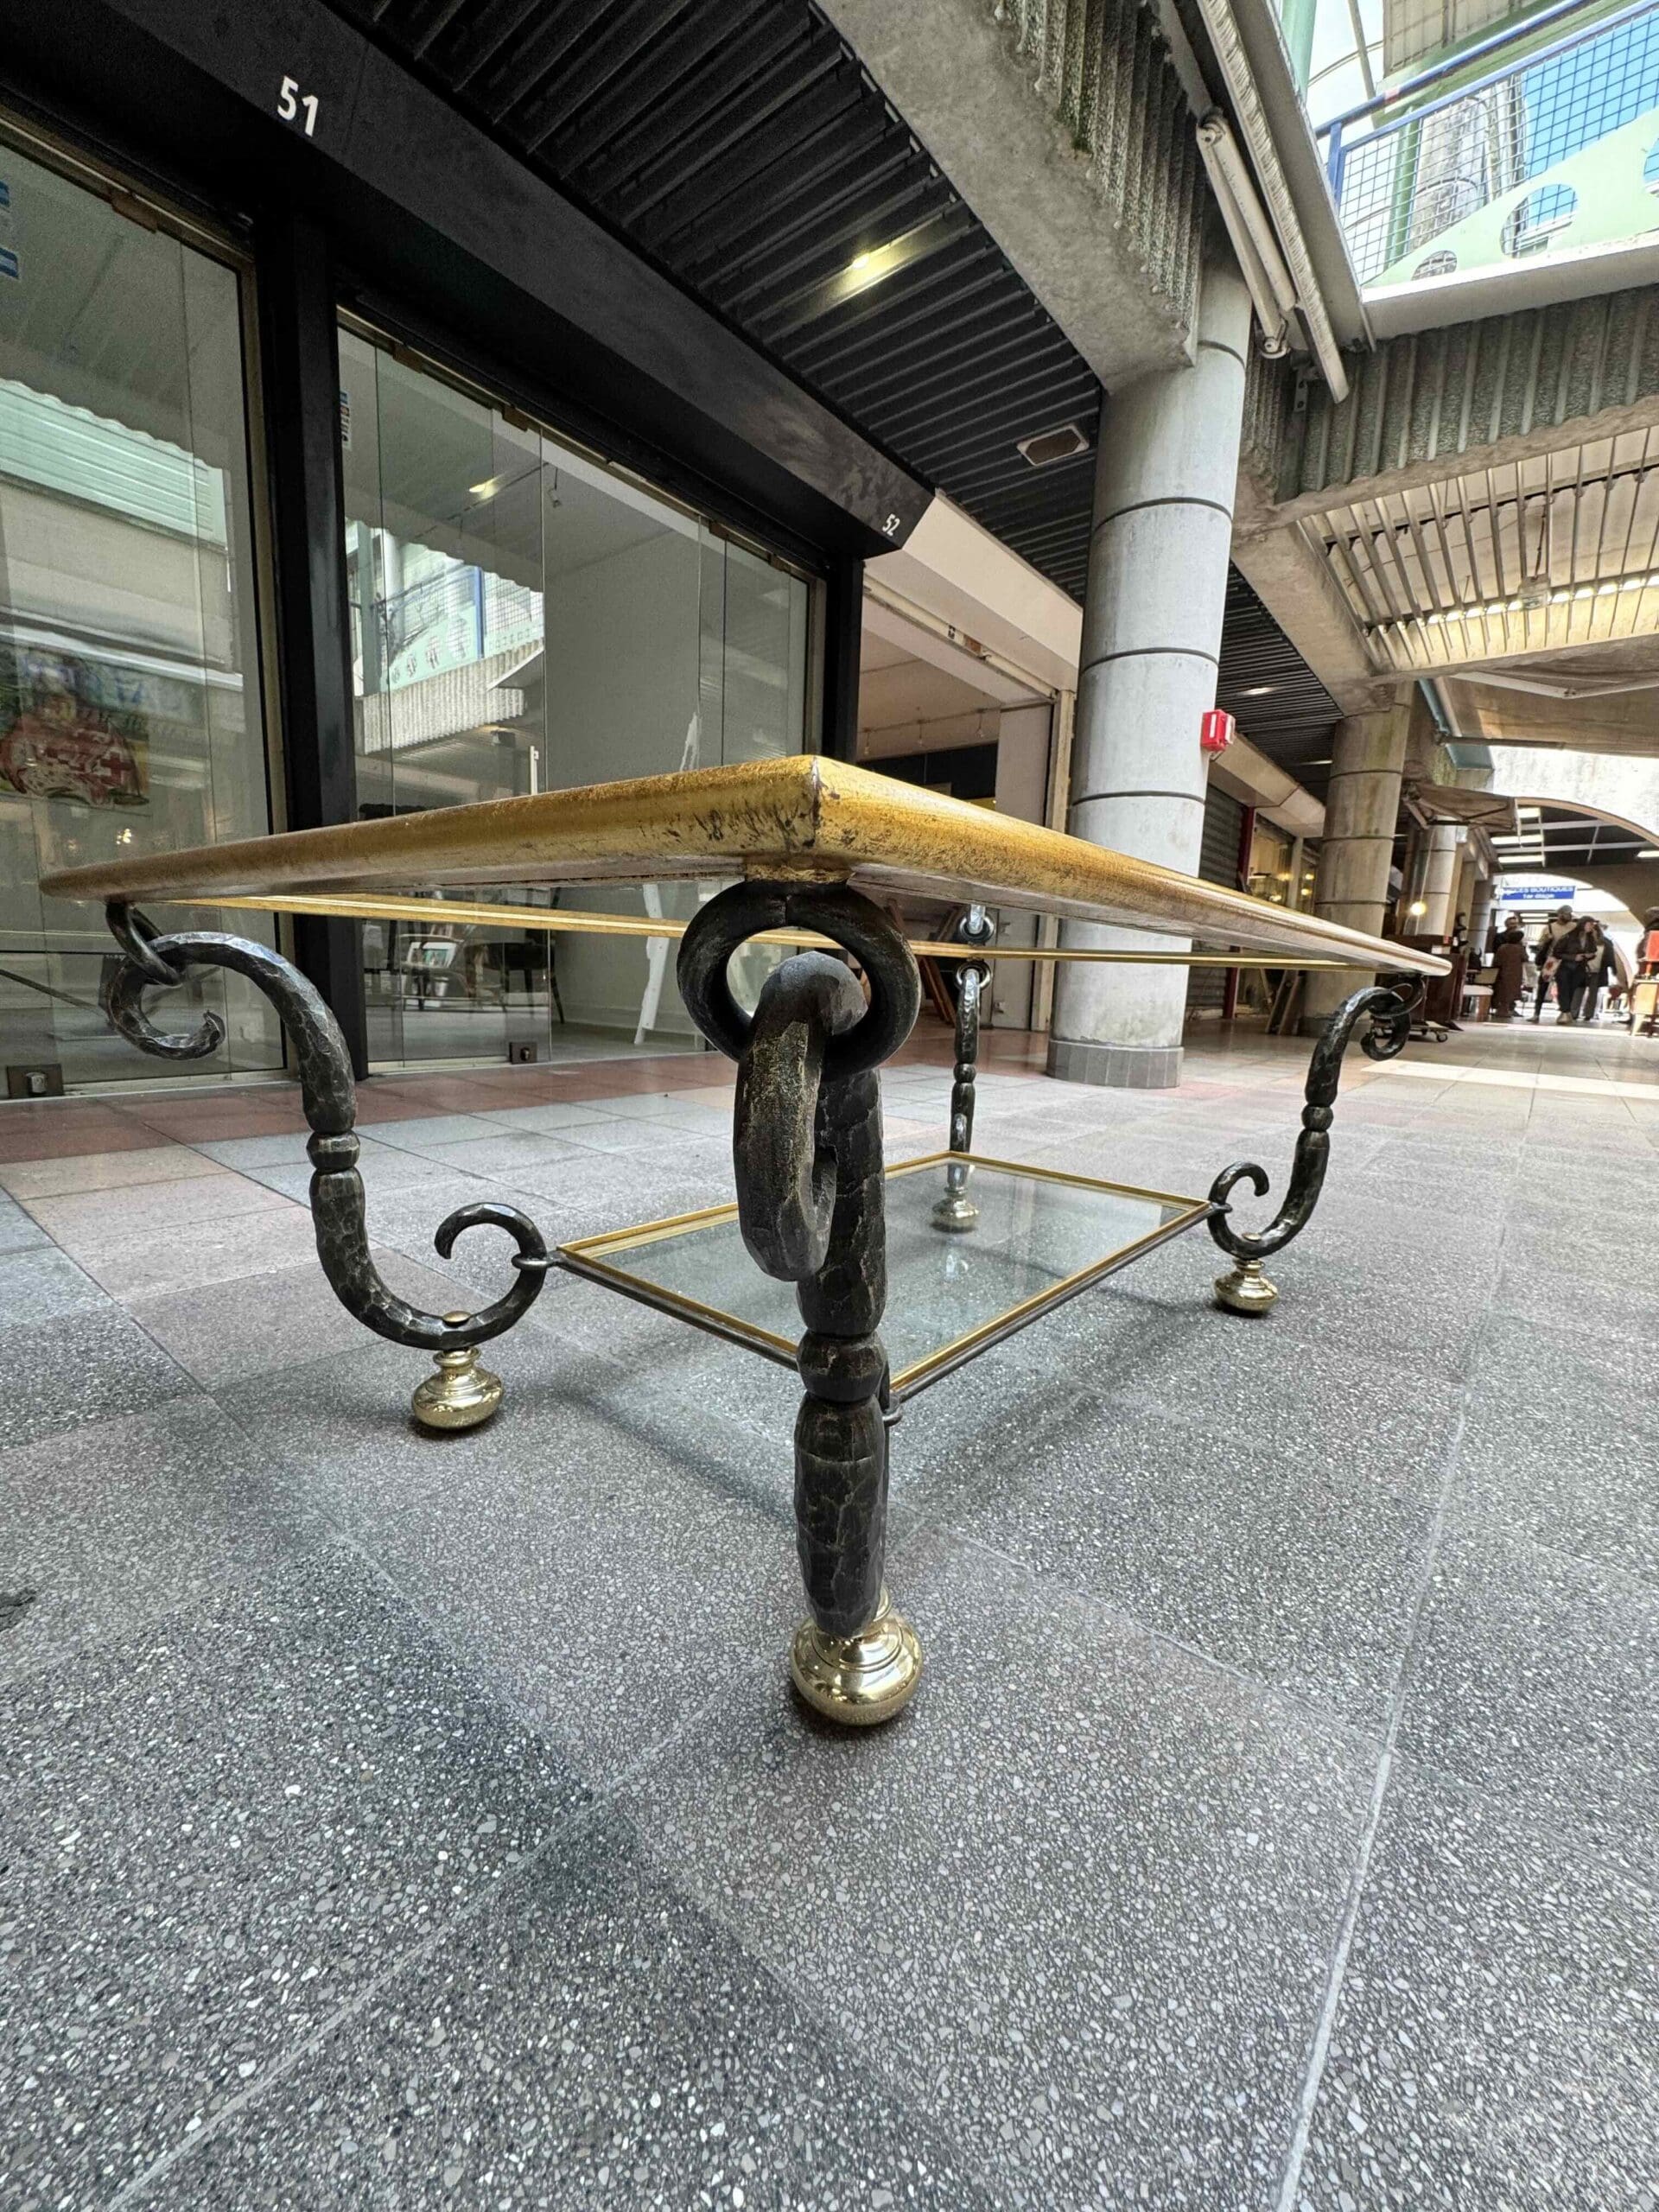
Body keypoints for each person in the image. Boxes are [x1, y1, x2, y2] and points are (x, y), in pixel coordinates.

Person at [1530, 905, 1576, 1021]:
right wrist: (1546, 940)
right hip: (1551, 960)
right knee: (1543, 986)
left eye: (1570, 913)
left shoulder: (1574, 927)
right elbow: (1541, 944)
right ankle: (1536, 1013)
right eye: (1567, 914)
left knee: (1564, 988)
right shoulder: (1549, 928)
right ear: (1560, 914)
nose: (1569, 916)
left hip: (1567, 960)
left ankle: (1565, 1013)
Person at [1491, 916, 1529, 1019]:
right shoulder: (1502, 939)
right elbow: (1525, 958)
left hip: (1504, 970)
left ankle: (1504, 1008)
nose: (1514, 926)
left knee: (1503, 989)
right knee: (1508, 989)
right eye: (1512, 924)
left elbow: (1497, 958)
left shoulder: (1504, 947)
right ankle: (1505, 1008)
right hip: (1512, 971)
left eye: (1515, 924)